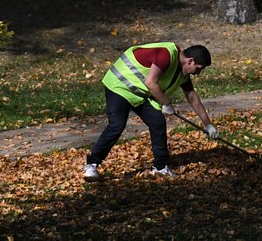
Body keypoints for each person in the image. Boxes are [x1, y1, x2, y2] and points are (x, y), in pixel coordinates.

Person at [83, 42, 219, 180]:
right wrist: (166, 103)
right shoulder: (165, 55)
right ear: (190, 61)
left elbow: (192, 97)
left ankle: (161, 167)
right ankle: (92, 164)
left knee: (158, 123)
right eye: (198, 68)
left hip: (140, 93)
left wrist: (208, 125)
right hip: (120, 86)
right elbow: (150, 82)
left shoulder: (181, 73)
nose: (198, 73)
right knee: (117, 124)